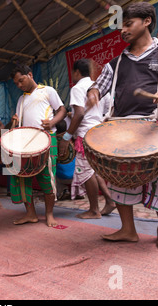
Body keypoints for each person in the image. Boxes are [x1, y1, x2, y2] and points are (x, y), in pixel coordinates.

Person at [86, 2, 158, 251]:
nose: (122, 30)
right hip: (121, 129)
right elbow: (98, 86)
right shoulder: (116, 62)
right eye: (120, 26)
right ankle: (127, 230)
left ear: (146, 21)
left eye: (128, 24)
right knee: (118, 179)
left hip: (156, 127)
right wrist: (92, 93)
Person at [8, 65, 67, 227]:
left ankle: (49, 214)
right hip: (26, 143)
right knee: (22, 178)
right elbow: (18, 124)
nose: (19, 85)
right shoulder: (21, 100)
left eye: (21, 80)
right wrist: (14, 121)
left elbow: (62, 109)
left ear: (30, 74)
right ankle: (31, 214)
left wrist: (53, 122)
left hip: (47, 138)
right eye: (16, 83)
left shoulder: (47, 91)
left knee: (47, 177)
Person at [58, 59, 115, 219]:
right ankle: (110, 201)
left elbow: (80, 114)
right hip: (98, 134)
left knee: (85, 172)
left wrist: (66, 137)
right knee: (94, 170)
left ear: (76, 72)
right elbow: (108, 111)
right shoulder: (98, 87)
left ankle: (94, 210)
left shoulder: (77, 88)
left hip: (85, 136)